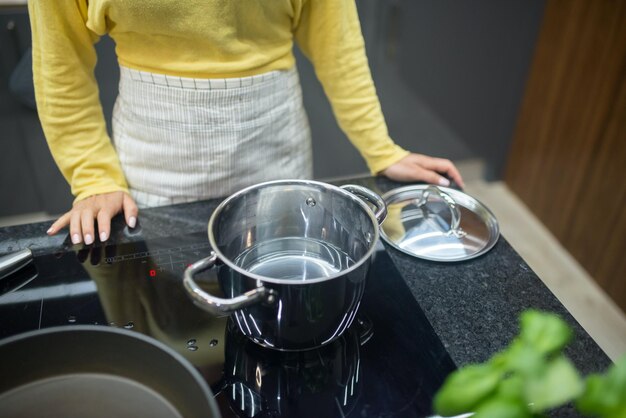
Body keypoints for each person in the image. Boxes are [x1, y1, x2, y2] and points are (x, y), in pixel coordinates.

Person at [29, 0, 464, 246]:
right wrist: (93, 178)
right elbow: (60, 63)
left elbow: (338, 42)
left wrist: (381, 148)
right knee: (172, 314)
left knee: (282, 283)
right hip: (153, 160)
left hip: (273, 141)